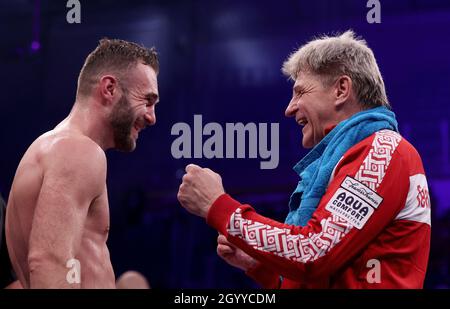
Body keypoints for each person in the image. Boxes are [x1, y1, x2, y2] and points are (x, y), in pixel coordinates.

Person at [177, 30, 431, 288]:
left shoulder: (383, 150)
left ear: (341, 90)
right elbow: (320, 268)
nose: (289, 108)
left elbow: (313, 251)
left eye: (300, 92)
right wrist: (260, 266)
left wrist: (217, 206)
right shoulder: (353, 156)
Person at [5, 38, 159, 288]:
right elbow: (49, 262)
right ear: (109, 88)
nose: (152, 117)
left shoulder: (52, 147)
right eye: (147, 101)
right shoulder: (78, 151)